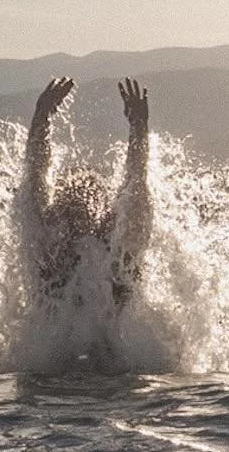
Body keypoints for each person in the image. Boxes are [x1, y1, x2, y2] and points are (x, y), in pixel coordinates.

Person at [19, 75, 153, 308]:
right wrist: (138, 127)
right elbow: (35, 172)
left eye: (79, 204)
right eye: (70, 204)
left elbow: (136, 180)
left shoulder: (112, 250)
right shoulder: (49, 249)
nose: (74, 213)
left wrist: (41, 116)